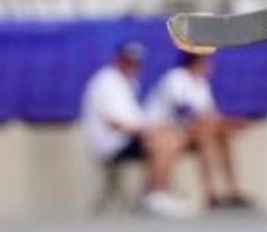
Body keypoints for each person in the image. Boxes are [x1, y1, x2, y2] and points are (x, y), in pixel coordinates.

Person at [80, 42, 194, 218]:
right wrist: (148, 131)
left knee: (169, 134)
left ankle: (156, 193)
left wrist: (153, 129)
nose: (133, 66)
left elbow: (136, 120)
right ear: (119, 60)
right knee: (161, 137)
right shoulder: (106, 82)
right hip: (112, 144)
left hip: (128, 139)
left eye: (136, 63)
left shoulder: (129, 84)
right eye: (128, 62)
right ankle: (156, 194)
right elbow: (114, 124)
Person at [145, 53, 255, 210]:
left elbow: (209, 115)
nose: (211, 66)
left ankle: (232, 191)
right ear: (198, 62)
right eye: (207, 62)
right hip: (163, 132)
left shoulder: (202, 84)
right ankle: (210, 193)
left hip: (188, 133)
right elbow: (186, 112)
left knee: (218, 135)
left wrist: (229, 124)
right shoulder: (176, 78)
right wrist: (221, 123)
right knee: (207, 130)